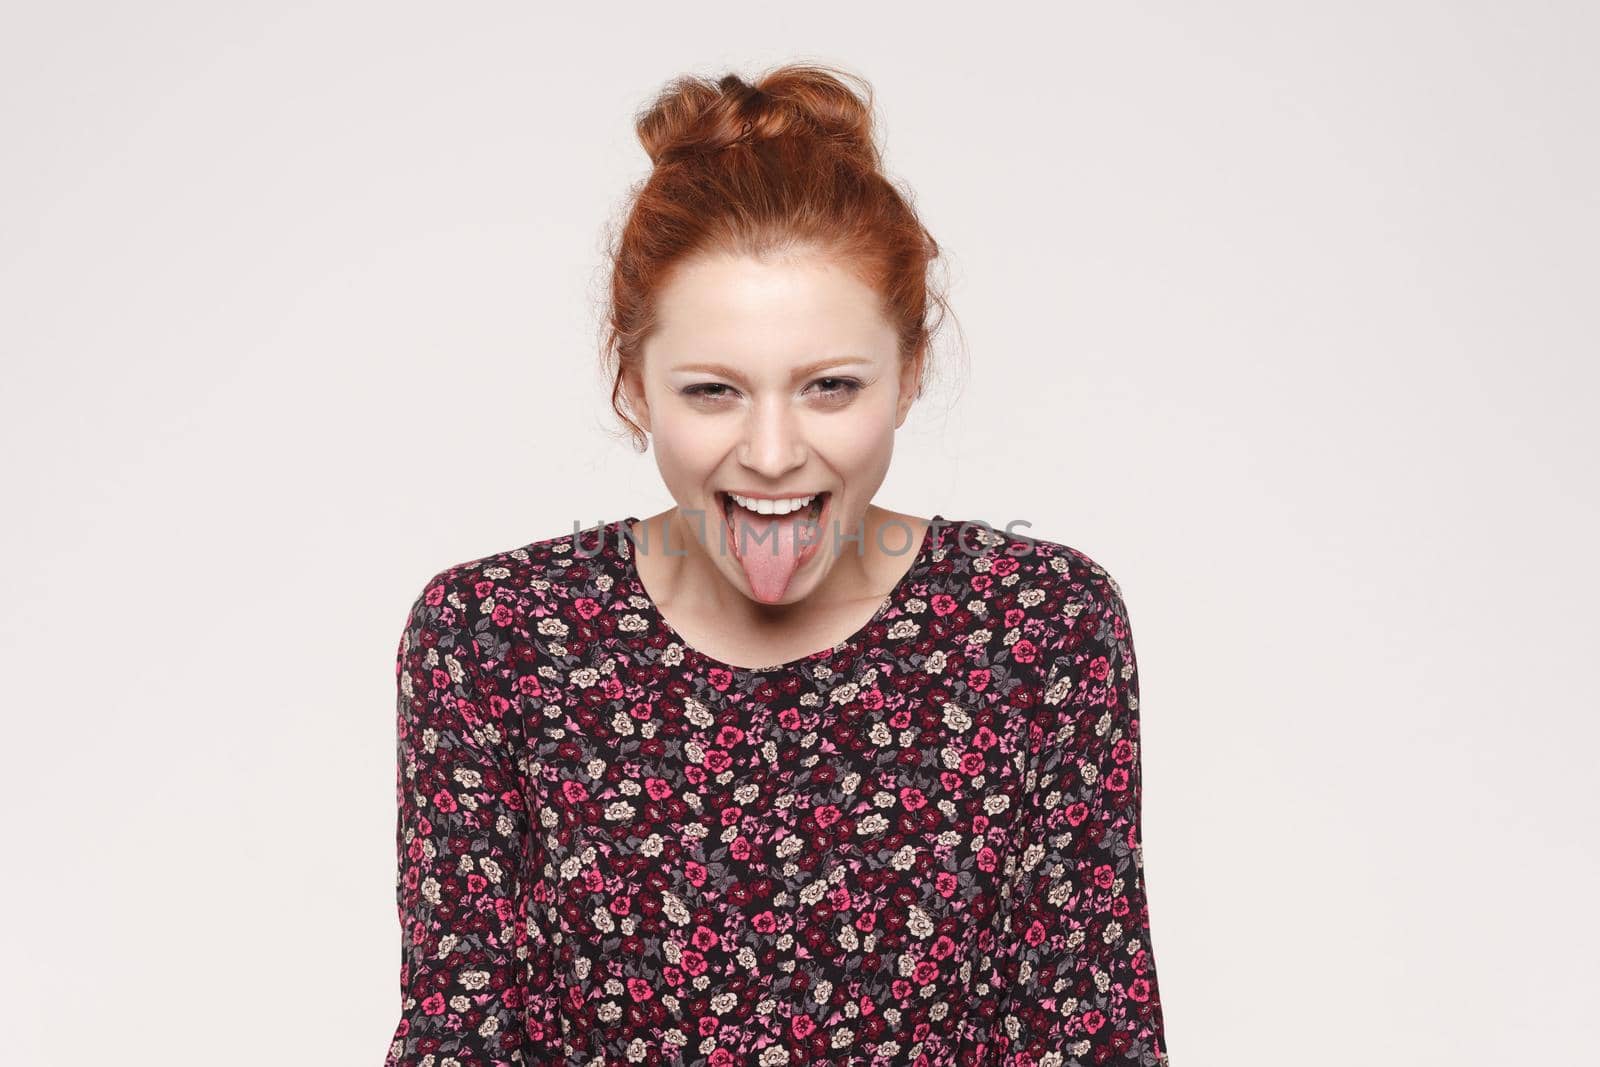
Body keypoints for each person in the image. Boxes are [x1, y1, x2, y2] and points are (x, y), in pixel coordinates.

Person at [383, 63, 1171, 1066]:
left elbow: (1088, 1030)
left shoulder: (1037, 627)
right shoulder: (493, 637)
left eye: (829, 387)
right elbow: (459, 1032)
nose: (769, 452)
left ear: (911, 370)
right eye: (712, 390)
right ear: (632, 384)